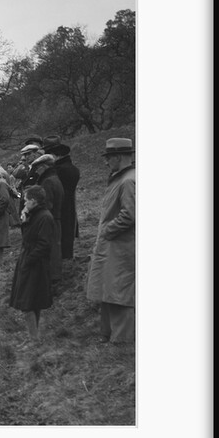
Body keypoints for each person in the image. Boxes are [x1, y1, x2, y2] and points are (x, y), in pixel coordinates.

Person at [86, 137, 136, 344]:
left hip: (120, 246)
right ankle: (107, 335)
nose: (106, 162)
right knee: (108, 289)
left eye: (109, 158)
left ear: (118, 157)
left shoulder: (128, 180)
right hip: (111, 245)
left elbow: (130, 214)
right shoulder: (120, 178)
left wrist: (107, 229)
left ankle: (121, 341)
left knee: (119, 292)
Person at [9, 185, 56, 347]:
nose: (24, 203)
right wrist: (25, 220)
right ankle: (33, 337)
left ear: (34, 201)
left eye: (26, 200)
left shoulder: (44, 217)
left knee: (27, 303)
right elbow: (27, 237)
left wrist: (28, 260)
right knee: (30, 301)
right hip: (30, 261)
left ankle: (34, 340)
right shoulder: (34, 214)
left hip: (35, 264)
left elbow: (44, 245)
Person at [32, 153, 64, 287]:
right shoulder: (54, 178)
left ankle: (51, 281)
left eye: (38, 168)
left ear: (44, 166)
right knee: (54, 248)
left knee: (50, 251)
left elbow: (46, 205)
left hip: (49, 221)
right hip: (55, 219)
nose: (36, 171)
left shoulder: (47, 181)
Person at [48, 141, 82, 260]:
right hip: (70, 202)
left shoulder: (58, 170)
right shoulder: (74, 169)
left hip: (59, 204)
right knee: (68, 231)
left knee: (60, 232)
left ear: (57, 155)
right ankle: (68, 256)